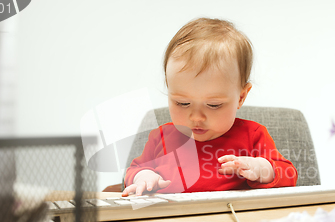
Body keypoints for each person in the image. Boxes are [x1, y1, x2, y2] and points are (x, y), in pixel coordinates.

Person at [122, 18, 297, 196]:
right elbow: (133, 171)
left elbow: (289, 174)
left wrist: (261, 168)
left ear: (241, 97)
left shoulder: (253, 136)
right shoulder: (160, 138)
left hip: (233, 220)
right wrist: (143, 177)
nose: (196, 117)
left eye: (214, 105)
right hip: (172, 221)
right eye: (182, 103)